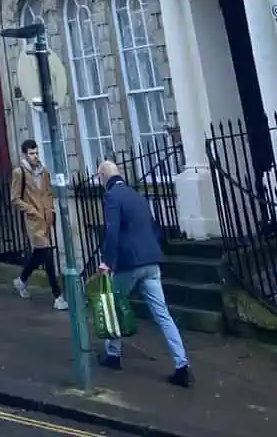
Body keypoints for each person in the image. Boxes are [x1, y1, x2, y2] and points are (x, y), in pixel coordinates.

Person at [97, 159, 192, 388]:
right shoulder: (138, 196)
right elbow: (154, 227)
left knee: (113, 304)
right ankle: (182, 365)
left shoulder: (111, 197)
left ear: (102, 177)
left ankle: (113, 355)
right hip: (151, 261)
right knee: (163, 314)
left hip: (129, 263)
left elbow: (112, 232)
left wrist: (107, 262)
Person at [10, 139, 68, 311]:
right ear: (25, 155)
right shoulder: (19, 172)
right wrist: (31, 211)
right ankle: (58, 296)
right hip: (34, 221)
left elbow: (48, 192)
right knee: (48, 255)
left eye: (36, 153)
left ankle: (21, 280)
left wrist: (50, 210)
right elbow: (14, 198)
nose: (35, 157)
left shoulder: (44, 172)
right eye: (31, 154)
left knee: (39, 255)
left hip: (46, 218)